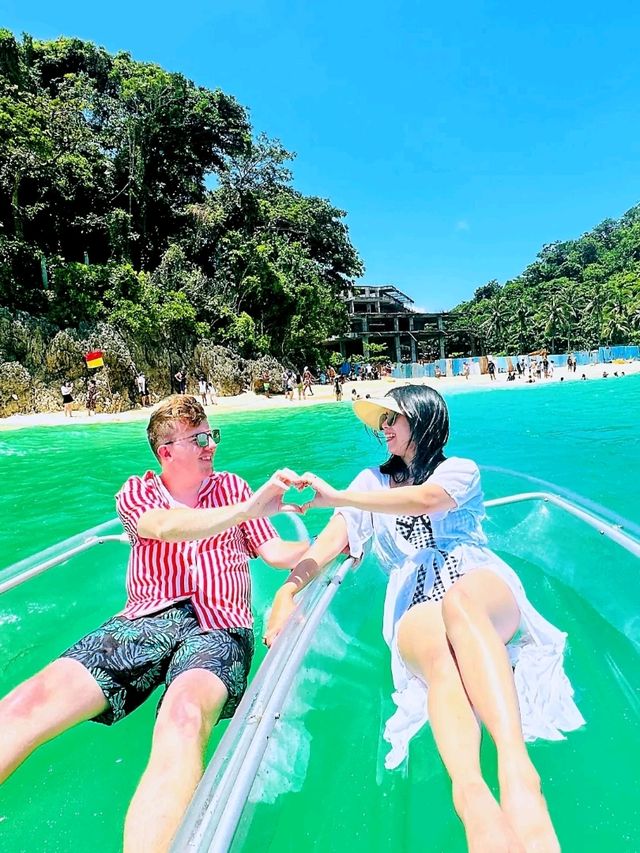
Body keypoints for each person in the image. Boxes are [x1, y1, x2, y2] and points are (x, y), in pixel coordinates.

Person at [265, 386, 584, 852]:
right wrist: (287, 589)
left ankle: (517, 772)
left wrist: (343, 498)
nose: (383, 428)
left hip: (476, 578)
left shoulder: (459, 471)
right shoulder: (368, 483)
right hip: (413, 597)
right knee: (436, 646)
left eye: (392, 417)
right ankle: (473, 801)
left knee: (459, 604)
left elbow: (424, 499)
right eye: (381, 422)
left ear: (423, 418)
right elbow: (330, 542)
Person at [0, 395, 310, 852]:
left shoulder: (234, 487)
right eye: (199, 438)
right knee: (30, 699)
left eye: (212, 436)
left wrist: (327, 547)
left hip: (220, 626)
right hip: (146, 619)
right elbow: (165, 526)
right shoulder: (137, 492)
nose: (210, 446)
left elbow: (275, 552)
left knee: (182, 719)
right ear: (166, 450)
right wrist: (246, 511)